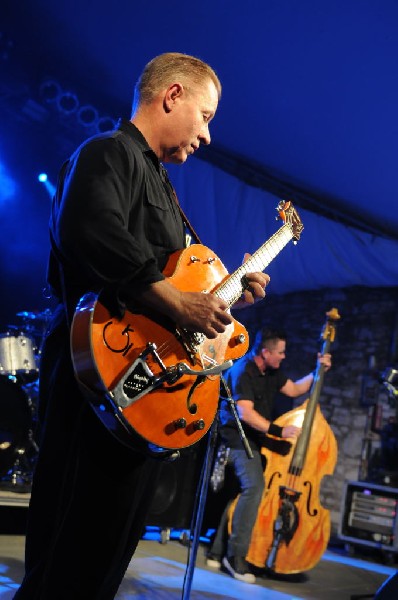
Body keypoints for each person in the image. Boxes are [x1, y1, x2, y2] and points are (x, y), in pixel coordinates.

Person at [13, 53, 269, 599]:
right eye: (204, 116)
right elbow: (91, 232)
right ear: (171, 96)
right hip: (96, 385)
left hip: (143, 401)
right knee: (68, 559)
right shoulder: (107, 153)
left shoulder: (165, 188)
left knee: (102, 564)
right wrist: (180, 305)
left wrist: (224, 299)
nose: (206, 136)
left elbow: (178, 288)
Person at [206, 327, 332, 584]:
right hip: (235, 441)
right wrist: (279, 431)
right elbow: (245, 414)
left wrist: (318, 371)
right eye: (281, 352)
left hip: (254, 441)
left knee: (242, 495)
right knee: (255, 488)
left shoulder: (271, 372)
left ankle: (218, 551)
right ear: (265, 352)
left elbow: (296, 390)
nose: (284, 357)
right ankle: (235, 557)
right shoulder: (243, 372)